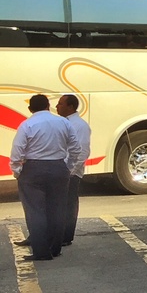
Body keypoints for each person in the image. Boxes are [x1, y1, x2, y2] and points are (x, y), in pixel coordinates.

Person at [10, 94, 82, 261]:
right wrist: (68, 167)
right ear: (48, 105)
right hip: (58, 168)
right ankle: (55, 248)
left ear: (30, 109)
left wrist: (17, 171)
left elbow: (17, 152)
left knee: (35, 211)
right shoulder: (64, 122)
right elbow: (76, 148)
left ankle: (41, 251)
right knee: (57, 210)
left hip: (33, 169)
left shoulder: (27, 124)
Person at [56, 94, 91, 246]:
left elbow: (82, 151)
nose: (57, 106)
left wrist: (70, 171)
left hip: (70, 171)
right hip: (60, 169)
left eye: (60, 104)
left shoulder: (80, 125)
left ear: (70, 107)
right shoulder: (63, 122)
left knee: (68, 204)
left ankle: (66, 235)